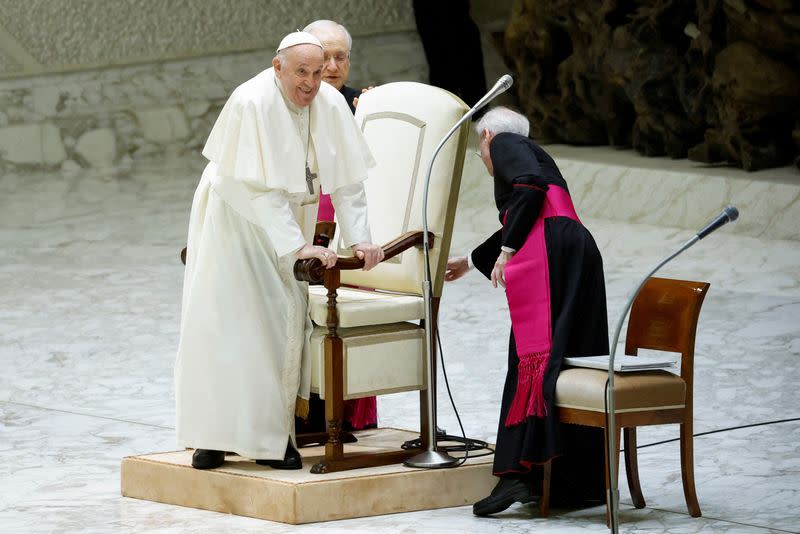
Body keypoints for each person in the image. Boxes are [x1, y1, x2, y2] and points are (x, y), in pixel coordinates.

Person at [175, 31, 384, 471]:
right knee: (221, 322)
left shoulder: (327, 103)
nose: (310, 83)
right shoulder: (251, 101)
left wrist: (360, 237)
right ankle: (211, 438)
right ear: (278, 68)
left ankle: (272, 439)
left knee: (277, 323)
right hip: (233, 218)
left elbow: (347, 180)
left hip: (287, 221)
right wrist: (297, 245)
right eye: (301, 73)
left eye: (316, 71)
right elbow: (254, 188)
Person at [445, 107, 608, 515]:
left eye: (480, 149)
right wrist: (472, 259)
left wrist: (507, 251)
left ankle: (520, 475)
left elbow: (530, 188)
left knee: (531, 359)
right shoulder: (533, 154)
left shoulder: (504, 141)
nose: (485, 157)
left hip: (553, 253)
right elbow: (531, 209)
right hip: (572, 250)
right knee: (565, 358)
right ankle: (568, 482)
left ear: (485, 138)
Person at [302, 19, 378, 432]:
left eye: (340, 57)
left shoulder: (364, 106)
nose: (331, 66)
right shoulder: (292, 100)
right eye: (322, 57)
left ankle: (348, 417)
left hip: (347, 228)